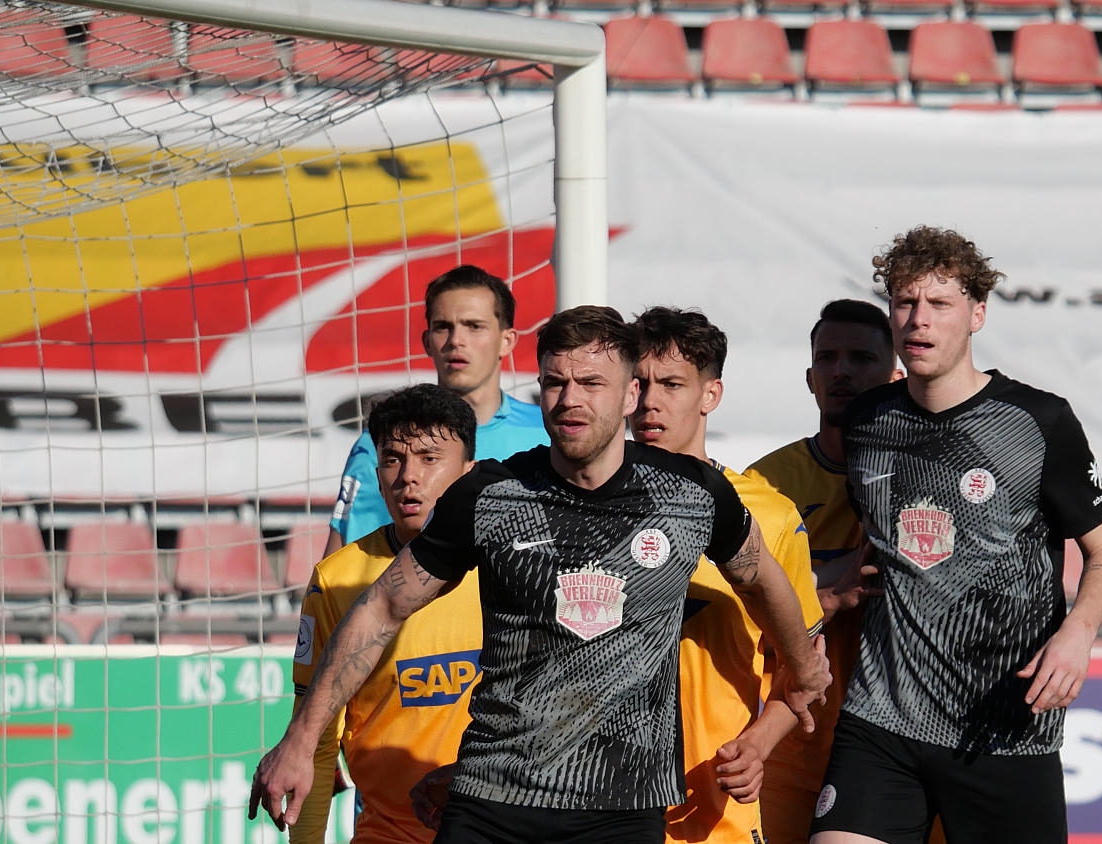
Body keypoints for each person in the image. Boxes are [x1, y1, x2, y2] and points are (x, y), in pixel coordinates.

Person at [252, 305, 831, 844]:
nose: (569, 400)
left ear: (631, 394)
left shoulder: (692, 494)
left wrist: (803, 668)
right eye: (555, 383)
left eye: (590, 383)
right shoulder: (491, 495)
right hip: (492, 799)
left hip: (624, 807)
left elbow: (762, 579)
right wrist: (302, 739)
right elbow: (382, 606)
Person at [809, 226, 1102, 844]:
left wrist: (1078, 635)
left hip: (1003, 724)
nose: (918, 320)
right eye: (904, 303)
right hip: (882, 718)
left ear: (977, 314)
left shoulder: (1038, 421)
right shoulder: (869, 421)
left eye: (939, 304)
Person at [627, 306, 826, 844]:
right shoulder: (582, 503)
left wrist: (758, 746)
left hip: (712, 813)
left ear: (710, 395)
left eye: (671, 384)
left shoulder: (769, 513)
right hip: (595, 809)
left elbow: (806, 671)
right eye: (638, 383)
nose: (650, 401)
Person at [288, 384, 480, 844]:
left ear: (468, 472)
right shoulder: (338, 579)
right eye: (393, 459)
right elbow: (314, 742)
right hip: (388, 833)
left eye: (430, 458)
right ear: (376, 474)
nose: (408, 477)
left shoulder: (504, 563)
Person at [744, 299, 901, 844]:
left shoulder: (922, 476)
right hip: (793, 742)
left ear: (895, 373)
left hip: (902, 744)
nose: (842, 371)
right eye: (828, 357)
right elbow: (738, 612)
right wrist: (830, 594)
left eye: (861, 357)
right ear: (810, 377)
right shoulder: (766, 484)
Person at [324, 265, 550, 557]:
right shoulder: (379, 445)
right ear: (427, 341)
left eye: (474, 326)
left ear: (507, 341)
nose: (456, 340)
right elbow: (337, 573)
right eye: (444, 327)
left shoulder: (545, 434)